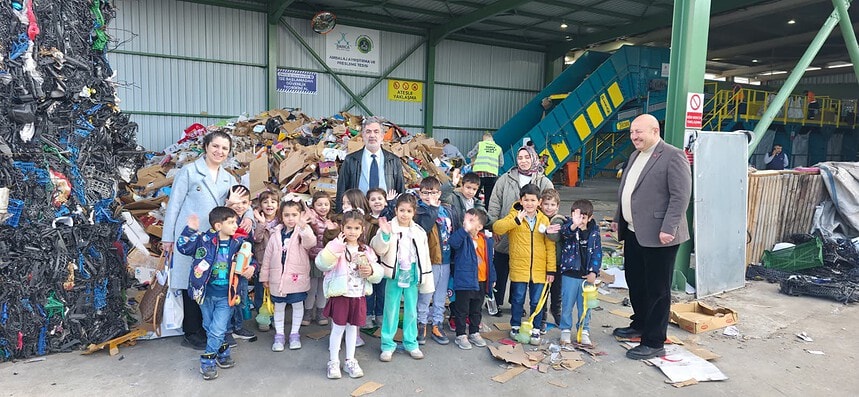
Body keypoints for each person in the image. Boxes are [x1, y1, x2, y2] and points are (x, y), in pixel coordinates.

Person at [611, 114, 692, 360]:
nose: (634, 136)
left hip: (660, 235)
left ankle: (655, 340)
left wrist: (669, 227)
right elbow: (627, 190)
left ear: (655, 131)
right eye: (632, 132)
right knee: (636, 281)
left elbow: (681, 196)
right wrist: (618, 219)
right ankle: (640, 324)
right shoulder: (636, 155)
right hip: (635, 232)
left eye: (639, 132)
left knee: (657, 288)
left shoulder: (672, 155)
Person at [162, 131, 239, 350]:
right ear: (206, 146)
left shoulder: (228, 178)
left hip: (215, 240)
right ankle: (191, 331)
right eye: (215, 146)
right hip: (191, 236)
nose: (219, 152)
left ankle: (210, 329)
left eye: (224, 148)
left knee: (209, 282)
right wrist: (168, 237)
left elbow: (242, 203)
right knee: (190, 282)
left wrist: (249, 219)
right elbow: (174, 204)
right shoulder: (189, 172)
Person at [175, 207, 255, 380]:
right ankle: (222, 350)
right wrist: (190, 230)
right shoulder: (203, 239)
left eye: (236, 221)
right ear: (218, 225)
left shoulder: (238, 243)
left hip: (227, 295)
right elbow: (183, 247)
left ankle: (208, 360)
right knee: (209, 326)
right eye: (231, 222)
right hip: (204, 293)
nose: (236, 225)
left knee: (218, 329)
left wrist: (251, 267)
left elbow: (251, 258)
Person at [315, 210, 384, 379]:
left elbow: (378, 272)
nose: (352, 231)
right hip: (341, 295)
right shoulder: (335, 247)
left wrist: (371, 271)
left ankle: (350, 361)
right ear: (342, 227)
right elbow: (322, 263)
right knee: (338, 329)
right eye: (348, 227)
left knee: (353, 329)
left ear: (362, 229)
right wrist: (336, 246)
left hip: (358, 295)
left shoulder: (366, 250)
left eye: (356, 228)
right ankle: (333, 362)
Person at [486, 145, 554, 316]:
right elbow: (494, 203)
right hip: (506, 231)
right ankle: (497, 303)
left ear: (533, 158)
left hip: (530, 236)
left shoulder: (543, 181)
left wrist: (548, 226)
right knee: (500, 269)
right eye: (520, 158)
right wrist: (494, 225)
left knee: (523, 272)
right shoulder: (505, 179)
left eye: (527, 157)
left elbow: (550, 205)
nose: (523, 161)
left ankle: (515, 305)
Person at [371, 194, 434, 362]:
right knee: (390, 308)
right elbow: (378, 249)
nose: (404, 214)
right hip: (395, 272)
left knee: (411, 309)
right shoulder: (388, 226)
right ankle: (387, 344)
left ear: (414, 212)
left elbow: (425, 256)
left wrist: (425, 278)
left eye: (408, 211)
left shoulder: (419, 231)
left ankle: (411, 342)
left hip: (412, 272)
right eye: (401, 210)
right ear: (396, 210)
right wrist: (384, 235)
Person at [492, 183, 556, 345]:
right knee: (518, 298)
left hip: (540, 270)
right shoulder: (515, 215)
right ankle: (515, 325)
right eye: (526, 200)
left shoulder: (543, 220)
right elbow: (497, 228)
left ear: (539, 202)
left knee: (536, 301)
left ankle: (535, 328)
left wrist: (551, 270)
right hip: (519, 267)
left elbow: (550, 246)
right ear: (521, 200)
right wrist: (515, 220)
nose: (529, 203)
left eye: (533, 200)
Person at [261, 196, 317, 352]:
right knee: (279, 306)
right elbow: (267, 257)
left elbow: (310, 243)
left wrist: (304, 227)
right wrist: (264, 277)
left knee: (298, 305)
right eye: (287, 215)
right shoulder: (275, 234)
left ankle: (294, 334)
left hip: (296, 278)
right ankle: (279, 335)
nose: (290, 218)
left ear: (300, 216)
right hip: (277, 279)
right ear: (281, 216)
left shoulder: (302, 232)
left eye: (294, 215)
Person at [415, 176, 458, 346]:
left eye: (433, 193)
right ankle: (421, 323)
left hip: (446, 259)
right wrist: (432, 207)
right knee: (425, 295)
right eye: (425, 193)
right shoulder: (419, 211)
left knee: (441, 295)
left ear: (439, 193)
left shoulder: (446, 209)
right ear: (420, 194)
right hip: (429, 260)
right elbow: (425, 226)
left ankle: (437, 323)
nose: (429, 196)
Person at [449, 208, 495, 350]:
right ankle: (461, 334)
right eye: (465, 220)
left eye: (471, 221)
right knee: (461, 309)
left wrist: (492, 277)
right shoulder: (462, 238)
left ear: (480, 226)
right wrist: (463, 231)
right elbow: (453, 242)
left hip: (481, 281)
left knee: (476, 309)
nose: (466, 223)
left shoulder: (486, 240)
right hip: (465, 281)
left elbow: (490, 260)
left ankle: (474, 332)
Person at [336, 117, 405, 211]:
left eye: (376, 132)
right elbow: (341, 190)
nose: (372, 135)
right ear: (363, 135)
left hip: (386, 212)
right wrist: (340, 215)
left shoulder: (393, 161)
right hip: (358, 212)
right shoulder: (351, 160)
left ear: (382, 135)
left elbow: (400, 191)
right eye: (368, 132)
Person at [557, 200, 601, 346]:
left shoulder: (594, 233)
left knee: (585, 307)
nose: (580, 220)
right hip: (570, 274)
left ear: (590, 217)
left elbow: (597, 253)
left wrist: (594, 272)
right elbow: (564, 233)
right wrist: (574, 225)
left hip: (586, 277)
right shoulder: (569, 228)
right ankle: (565, 330)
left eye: (583, 217)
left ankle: (584, 330)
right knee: (567, 304)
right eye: (576, 216)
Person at [223, 185, 256, 344]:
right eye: (236, 201)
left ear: (249, 204)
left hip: (241, 269)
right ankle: (226, 331)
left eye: (244, 202)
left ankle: (238, 327)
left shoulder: (246, 224)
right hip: (225, 270)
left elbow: (250, 248)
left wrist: (252, 266)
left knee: (240, 299)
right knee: (226, 300)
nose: (240, 205)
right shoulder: (222, 220)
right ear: (227, 201)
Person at [305, 191, 336, 327]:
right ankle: (307, 312)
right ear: (313, 206)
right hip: (312, 258)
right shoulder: (311, 218)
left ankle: (321, 312)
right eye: (319, 204)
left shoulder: (333, 220)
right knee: (311, 288)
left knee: (323, 288)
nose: (323, 207)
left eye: (326, 204)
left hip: (326, 258)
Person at [364, 188, 394, 328]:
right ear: (368, 202)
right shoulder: (365, 219)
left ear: (385, 201)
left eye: (380, 199)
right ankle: (368, 315)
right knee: (369, 290)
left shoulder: (390, 219)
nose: (377, 202)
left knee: (382, 291)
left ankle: (380, 314)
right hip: (369, 261)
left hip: (384, 262)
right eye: (373, 199)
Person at [252, 190, 280, 332]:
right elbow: (256, 239)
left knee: (276, 292)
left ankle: (275, 316)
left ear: (278, 205)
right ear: (260, 205)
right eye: (265, 202)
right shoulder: (257, 220)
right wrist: (262, 224)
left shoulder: (281, 220)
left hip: (277, 264)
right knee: (260, 291)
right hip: (261, 263)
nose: (269, 204)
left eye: (273, 201)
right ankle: (263, 317)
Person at [540, 188, 565, 331]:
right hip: (541, 262)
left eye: (552, 205)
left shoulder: (559, 220)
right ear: (541, 205)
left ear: (557, 206)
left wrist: (547, 230)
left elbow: (555, 237)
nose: (549, 208)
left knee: (557, 291)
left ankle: (556, 312)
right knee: (542, 291)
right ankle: (541, 316)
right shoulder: (537, 218)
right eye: (546, 204)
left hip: (558, 261)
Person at [467, 132, 503, 207]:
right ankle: (486, 214)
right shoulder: (498, 148)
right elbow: (501, 163)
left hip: (479, 174)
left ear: (484, 139)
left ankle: (473, 210)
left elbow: (470, 155)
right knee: (489, 197)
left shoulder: (480, 144)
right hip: (492, 175)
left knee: (474, 194)